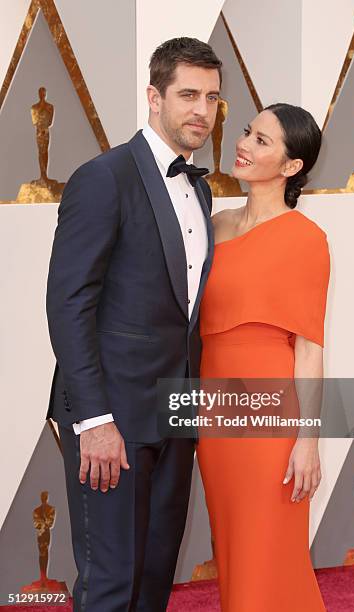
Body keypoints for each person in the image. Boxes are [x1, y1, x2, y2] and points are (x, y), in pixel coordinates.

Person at [45, 37, 222, 612]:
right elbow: (69, 302)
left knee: (152, 582)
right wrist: (93, 419)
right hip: (111, 420)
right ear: (154, 96)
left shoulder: (198, 187)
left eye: (213, 98)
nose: (202, 110)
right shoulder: (104, 177)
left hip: (175, 414)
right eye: (188, 95)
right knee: (111, 582)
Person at [196, 103, 330, 611]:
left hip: (271, 417)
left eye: (261, 141)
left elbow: (311, 348)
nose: (244, 144)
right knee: (232, 551)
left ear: (291, 167)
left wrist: (308, 440)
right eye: (248, 132)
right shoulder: (213, 225)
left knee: (268, 552)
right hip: (213, 412)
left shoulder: (306, 240)